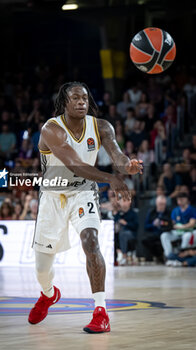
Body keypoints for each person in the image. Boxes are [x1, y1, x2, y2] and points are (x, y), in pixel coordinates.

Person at [28, 81, 143, 333]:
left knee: (91, 241)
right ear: (64, 103)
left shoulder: (101, 126)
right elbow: (75, 165)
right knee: (41, 269)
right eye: (76, 99)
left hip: (83, 191)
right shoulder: (51, 128)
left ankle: (100, 312)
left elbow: (117, 155)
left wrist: (127, 166)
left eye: (85, 99)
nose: (82, 102)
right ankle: (48, 294)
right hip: (53, 195)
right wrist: (111, 178)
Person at [161, 193, 196, 260]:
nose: (180, 201)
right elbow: (172, 223)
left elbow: (192, 223)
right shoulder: (175, 210)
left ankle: (181, 258)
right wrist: (168, 225)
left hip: (189, 231)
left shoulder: (192, 209)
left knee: (186, 236)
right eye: (178, 200)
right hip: (178, 232)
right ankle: (169, 256)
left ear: (187, 200)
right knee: (164, 235)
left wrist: (182, 227)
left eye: (182, 199)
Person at [142, 195, 172, 263]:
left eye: (163, 204)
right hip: (154, 233)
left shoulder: (169, 212)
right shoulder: (152, 212)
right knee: (145, 239)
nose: (161, 206)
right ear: (156, 204)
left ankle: (166, 257)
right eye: (160, 204)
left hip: (164, 233)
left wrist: (162, 223)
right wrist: (153, 224)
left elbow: (171, 225)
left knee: (164, 237)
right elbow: (146, 226)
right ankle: (154, 257)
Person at [114, 197, 138, 265]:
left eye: (125, 201)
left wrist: (126, 223)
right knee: (113, 235)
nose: (124, 203)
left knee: (123, 234)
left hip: (131, 233)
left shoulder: (133, 214)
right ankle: (114, 258)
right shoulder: (118, 214)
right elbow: (114, 223)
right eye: (122, 202)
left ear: (129, 203)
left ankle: (124, 256)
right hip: (118, 233)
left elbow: (135, 226)